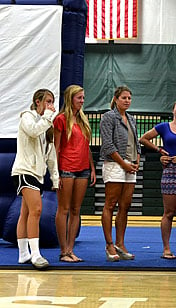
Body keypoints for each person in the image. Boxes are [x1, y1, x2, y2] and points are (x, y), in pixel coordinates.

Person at [11, 89, 59, 270]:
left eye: (52, 102)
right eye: (47, 101)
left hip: (38, 174)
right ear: (37, 102)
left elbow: (51, 155)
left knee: (26, 213)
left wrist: (55, 178)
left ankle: (23, 254)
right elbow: (32, 131)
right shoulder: (27, 117)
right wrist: (48, 116)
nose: (50, 106)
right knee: (37, 210)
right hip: (24, 171)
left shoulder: (47, 125)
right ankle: (36, 254)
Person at [140, 99, 176, 260]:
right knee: (168, 213)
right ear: (173, 110)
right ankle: (166, 248)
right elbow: (144, 139)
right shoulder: (163, 127)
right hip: (170, 172)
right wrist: (160, 151)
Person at [54, 85, 96, 263]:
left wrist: (92, 168)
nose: (82, 101)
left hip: (83, 169)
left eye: (83, 98)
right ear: (71, 98)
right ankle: (63, 250)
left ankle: (70, 249)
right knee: (63, 209)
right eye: (79, 98)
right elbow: (55, 148)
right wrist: (55, 173)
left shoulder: (83, 120)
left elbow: (86, 147)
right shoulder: (61, 119)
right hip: (66, 168)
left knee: (76, 210)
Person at [99, 86, 141, 262]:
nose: (127, 100)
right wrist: (123, 163)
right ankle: (109, 244)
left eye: (129, 98)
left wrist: (137, 160)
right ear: (116, 99)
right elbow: (108, 145)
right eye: (124, 97)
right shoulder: (108, 117)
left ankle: (120, 244)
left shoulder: (131, 119)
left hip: (130, 166)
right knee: (110, 204)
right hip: (115, 164)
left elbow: (136, 142)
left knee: (125, 206)